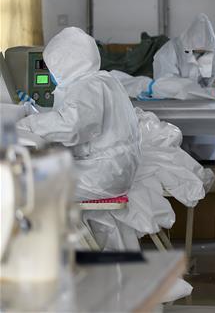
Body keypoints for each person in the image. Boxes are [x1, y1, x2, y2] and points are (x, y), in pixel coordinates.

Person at [17, 27, 141, 249]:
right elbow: (76, 118)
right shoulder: (103, 80)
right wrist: (37, 113)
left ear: (66, 63)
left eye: (53, 67)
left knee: (24, 186)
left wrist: (27, 124)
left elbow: (72, 126)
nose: (52, 75)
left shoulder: (88, 86)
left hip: (102, 174)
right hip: (112, 170)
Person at [153, 13, 215, 159]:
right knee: (177, 147)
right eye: (196, 51)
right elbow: (164, 80)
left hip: (205, 108)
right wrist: (186, 88)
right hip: (174, 106)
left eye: (203, 52)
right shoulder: (171, 49)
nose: (200, 55)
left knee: (206, 147)